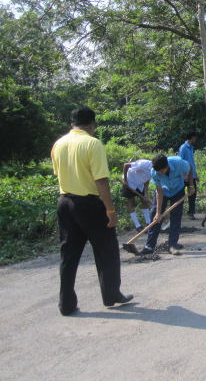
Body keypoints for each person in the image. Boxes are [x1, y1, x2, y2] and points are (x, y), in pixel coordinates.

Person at [51, 107, 133, 316]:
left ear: (73, 123)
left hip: (65, 202)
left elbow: (59, 174)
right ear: (91, 124)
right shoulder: (92, 143)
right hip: (88, 204)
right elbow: (101, 180)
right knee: (107, 250)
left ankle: (66, 304)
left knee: (68, 255)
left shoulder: (58, 144)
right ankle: (112, 294)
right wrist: (110, 210)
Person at [140, 154, 195, 256]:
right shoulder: (154, 172)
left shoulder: (178, 163)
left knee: (176, 217)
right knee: (155, 217)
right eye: (158, 172)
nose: (160, 173)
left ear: (167, 166)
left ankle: (172, 245)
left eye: (162, 171)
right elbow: (159, 192)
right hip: (164, 192)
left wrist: (191, 185)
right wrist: (158, 213)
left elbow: (190, 167)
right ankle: (149, 246)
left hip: (178, 190)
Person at [122, 159, 152, 232]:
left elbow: (147, 180)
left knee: (144, 201)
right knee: (131, 202)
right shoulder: (143, 164)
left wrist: (146, 193)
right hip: (129, 181)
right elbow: (126, 165)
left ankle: (148, 223)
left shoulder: (154, 171)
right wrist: (125, 180)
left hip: (140, 184)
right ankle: (137, 226)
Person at [178, 131, 198, 220]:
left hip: (192, 175)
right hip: (184, 176)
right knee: (181, 194)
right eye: (195, 137)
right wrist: (184, 175)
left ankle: (191, 212)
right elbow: (180, 161)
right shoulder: (183, 148)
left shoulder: (191, 148)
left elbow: (192, 162)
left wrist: (195, 174)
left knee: (193, 193)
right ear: (192, 137)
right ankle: (178, 212)